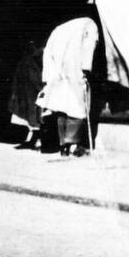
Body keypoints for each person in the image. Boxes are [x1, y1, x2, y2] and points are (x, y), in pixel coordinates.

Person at [36, 10, 100, 157]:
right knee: (77, 107)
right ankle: (72, 144)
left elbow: (48, 52)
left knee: (61, 107)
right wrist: (86, 69)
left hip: (58, 74)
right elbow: (88, 49)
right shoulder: (90, 24)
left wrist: (49, 75)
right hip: (75, 71)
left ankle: (63, 145)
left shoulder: (60, 28)